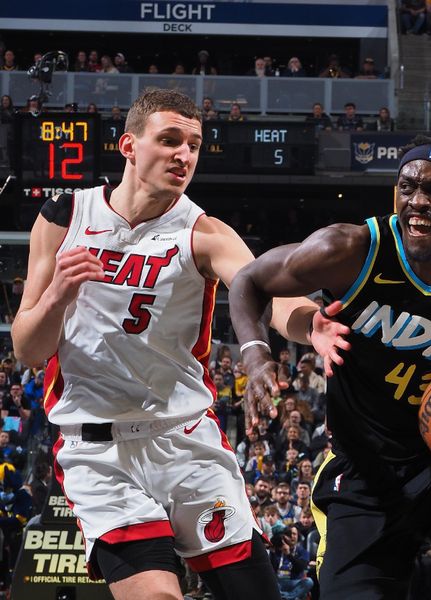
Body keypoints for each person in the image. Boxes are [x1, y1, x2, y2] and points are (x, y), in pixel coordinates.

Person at [10, 89, 347, 600]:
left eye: (193, 144)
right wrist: (58, 293)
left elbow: (264, 292)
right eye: (168, 140)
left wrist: (310, 325)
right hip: (97, 451)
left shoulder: (203, 232)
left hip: (186, 439)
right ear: (129, 145)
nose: (183, 155)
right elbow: (28, 351)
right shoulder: (65, 218)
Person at [228, 134, 431, 600]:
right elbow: (249, 280)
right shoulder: (349, 248)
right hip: (367, 470)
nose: (417, 201)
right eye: (406, 188)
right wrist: (256, 354)